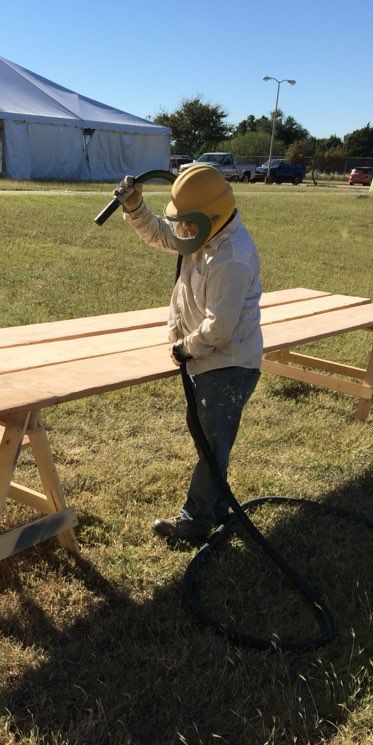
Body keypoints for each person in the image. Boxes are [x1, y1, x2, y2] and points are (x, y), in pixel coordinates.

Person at [114, 165, 263, 545]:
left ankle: (195, 522)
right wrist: (135, 209)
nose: (184, 231)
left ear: (209, 217)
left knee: (212, 446)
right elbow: (166, 235)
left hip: (228, 364)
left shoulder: (230, 257)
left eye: (188, 224)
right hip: (206, 360)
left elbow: (219, 329)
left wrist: (183, 349)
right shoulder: (206, 233)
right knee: (207, 441)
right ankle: (215, 510)